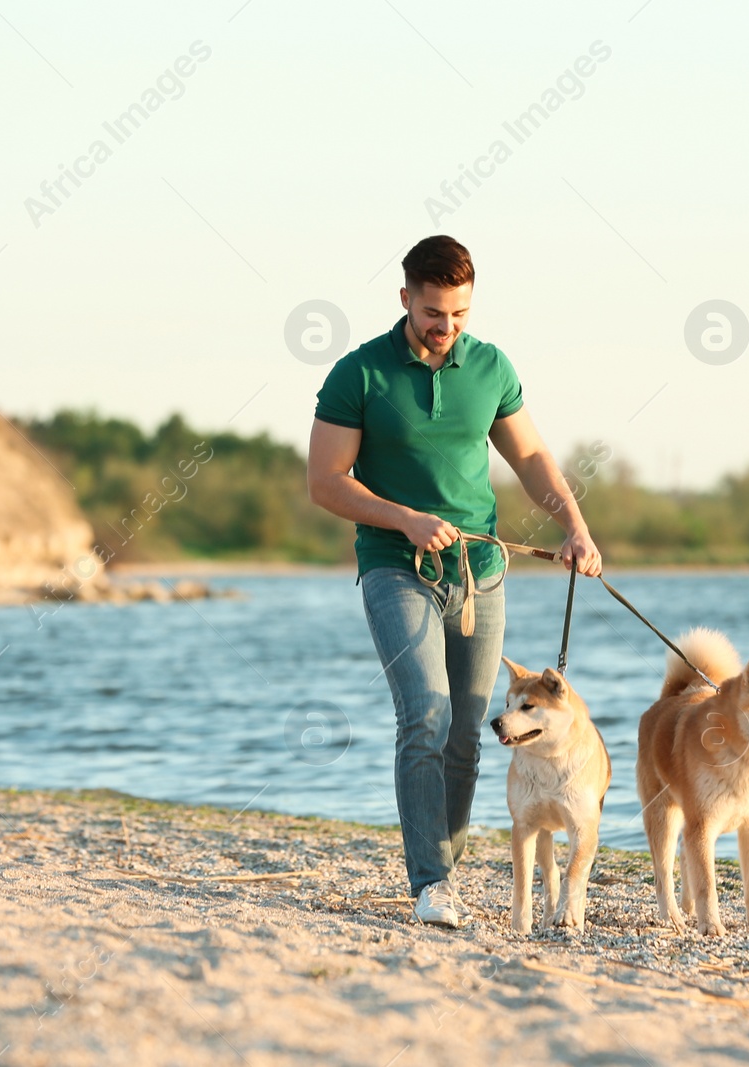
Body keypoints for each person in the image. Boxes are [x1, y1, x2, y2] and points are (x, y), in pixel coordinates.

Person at [307, 235, 602, 928]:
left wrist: (575, 526)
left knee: (470, 733)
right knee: (426, 716)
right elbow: (324, 482)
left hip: (483, 570)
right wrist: (404, 518)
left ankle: (448, 866)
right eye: (434, 312)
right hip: (395, 566)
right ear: (406, 297)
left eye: (459, 315)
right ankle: (432, 882)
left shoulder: (490, 367)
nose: (446, 328)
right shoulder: (359, 374)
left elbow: (529, 455)